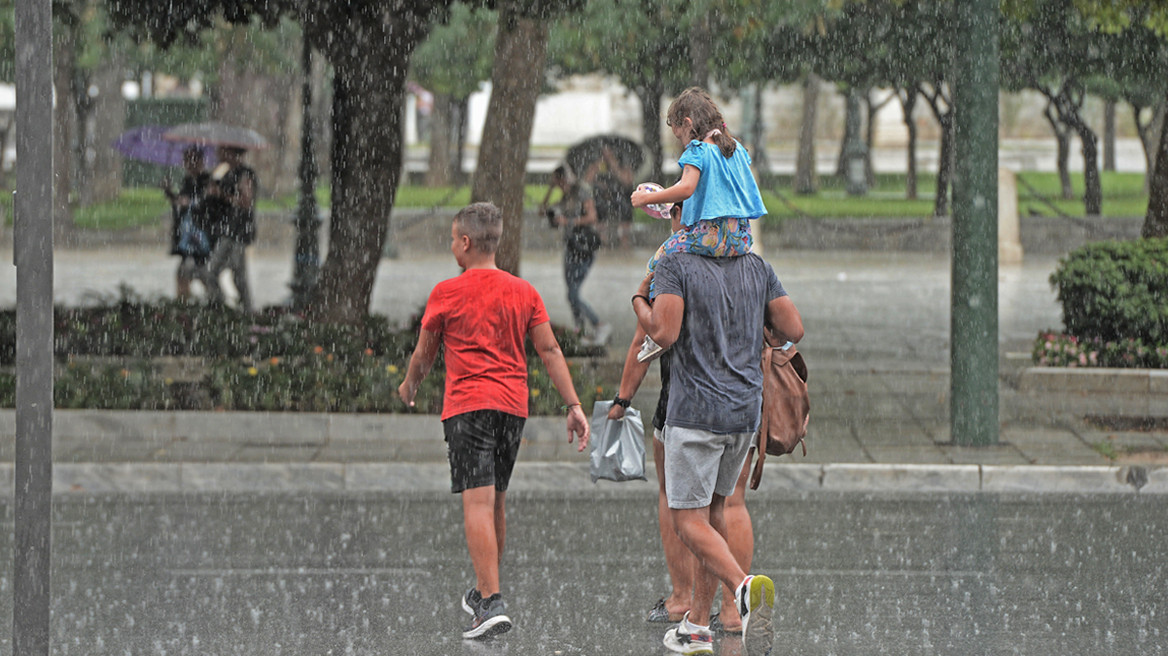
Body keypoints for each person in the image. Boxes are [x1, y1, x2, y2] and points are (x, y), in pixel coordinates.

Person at [398, 202, 591, 640]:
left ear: (466, 242)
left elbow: (424, 355)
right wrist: (573, 404)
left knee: (477, 504)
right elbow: (550, 350)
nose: (452, 246)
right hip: (511, 409)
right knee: (496, 501)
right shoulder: (523, 291)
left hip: (468, 408)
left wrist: (409, 386)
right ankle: (486, 593)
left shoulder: (446, 292)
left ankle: (491, 600)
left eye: (453, 239)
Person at [631, 247, 803, 656]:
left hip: (696, 411)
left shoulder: (676, 263)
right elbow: (794, 328)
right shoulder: (755, 266)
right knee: (716, 511)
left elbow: (662, 333)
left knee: (687, 518)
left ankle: (742, 588)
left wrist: (639, 300)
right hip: (744, 411)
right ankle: (696, 626)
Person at [608, 203, 754, 637]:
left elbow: (650, 337)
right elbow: (783, 329)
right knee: (731, 503)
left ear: (680, 216)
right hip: (744, 401)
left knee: (679, 501)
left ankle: (684, 597)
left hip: (687, 403)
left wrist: (622, 398)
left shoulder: (672, 264)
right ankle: (730, 611)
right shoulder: (749, 262)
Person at [630, 87, 767, 363]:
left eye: (679, 135)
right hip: (740, 239)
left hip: (710, 237)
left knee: (658, 260)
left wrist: (648, 198)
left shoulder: (698, 150)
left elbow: (686, 188)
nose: (682, 143)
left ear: (688, 123)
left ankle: (659, 326)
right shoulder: (736, 149)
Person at [540, 165, 612, 345]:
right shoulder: (565, 196)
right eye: (557, 183)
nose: (560, 186)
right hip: (571, 247)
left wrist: (568, 221)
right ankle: (581, 331)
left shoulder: (581, 191)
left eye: (560, 182)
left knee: (573, 295)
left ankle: (599, 324)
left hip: (584, 248)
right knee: (571, 294)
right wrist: (550, 190)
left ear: (565, 178)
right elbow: (542, 210)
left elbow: (592, 217)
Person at [202, 145, 257, 313]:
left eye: (222, 150)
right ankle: (224, 307)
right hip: (229, 230)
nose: (218, 153)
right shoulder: (227, 173)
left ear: (231, 152)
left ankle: (244, 310)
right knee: (214, 272)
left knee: (236, 276)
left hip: (240, 231)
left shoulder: (244, 174)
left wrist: (221, 194)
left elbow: (246, 202)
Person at [160, 146, 211, 300]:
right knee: (183, 274)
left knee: (204, 275)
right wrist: (169, 192)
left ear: (201, 161)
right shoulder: (188, 182)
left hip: (202, 239)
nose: (188, 164)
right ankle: (185, 304)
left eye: (192, 160)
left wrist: (192, 203)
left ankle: (214, 304)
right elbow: (180, 204)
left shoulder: (207, 181)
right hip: (188, 238)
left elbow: (209, 204)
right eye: (186, 160)